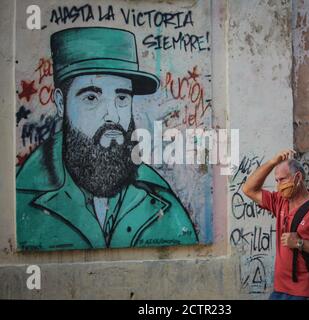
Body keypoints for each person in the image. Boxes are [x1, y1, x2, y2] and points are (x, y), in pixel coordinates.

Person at [16, 27, 198, 251]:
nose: (112, 115)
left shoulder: (160, 200)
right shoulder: (20, 200)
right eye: (91, 97)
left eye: (122, 97)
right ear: (62, 104)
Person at [243, 149, 309, 300]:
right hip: (279, 289)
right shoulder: (280, 201)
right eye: (276, 181)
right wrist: (272, 162)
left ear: (298, 177)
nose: (278, 186)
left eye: (282, 179)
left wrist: (300, 243)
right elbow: (248, 189)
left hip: (304, 292)